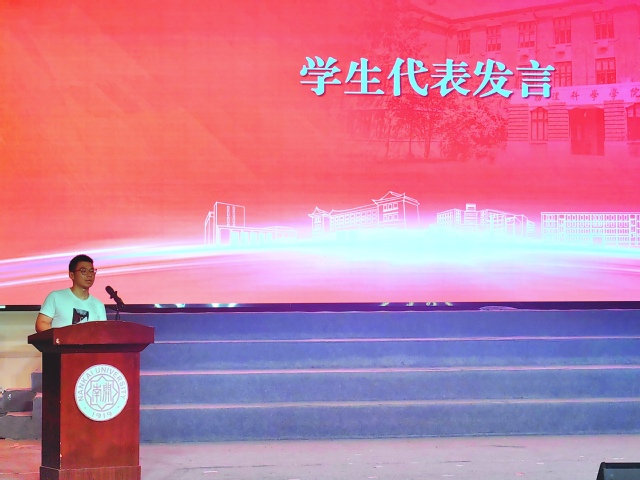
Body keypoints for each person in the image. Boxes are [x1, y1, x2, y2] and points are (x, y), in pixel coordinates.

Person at [35, 254, 107, 332]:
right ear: (72, 275)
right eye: (83, 271)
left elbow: (102, 332)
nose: (89, 275)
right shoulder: (56, 297)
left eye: (92, 271)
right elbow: (41, 323)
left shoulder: (98, 305)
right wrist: (60, 337)